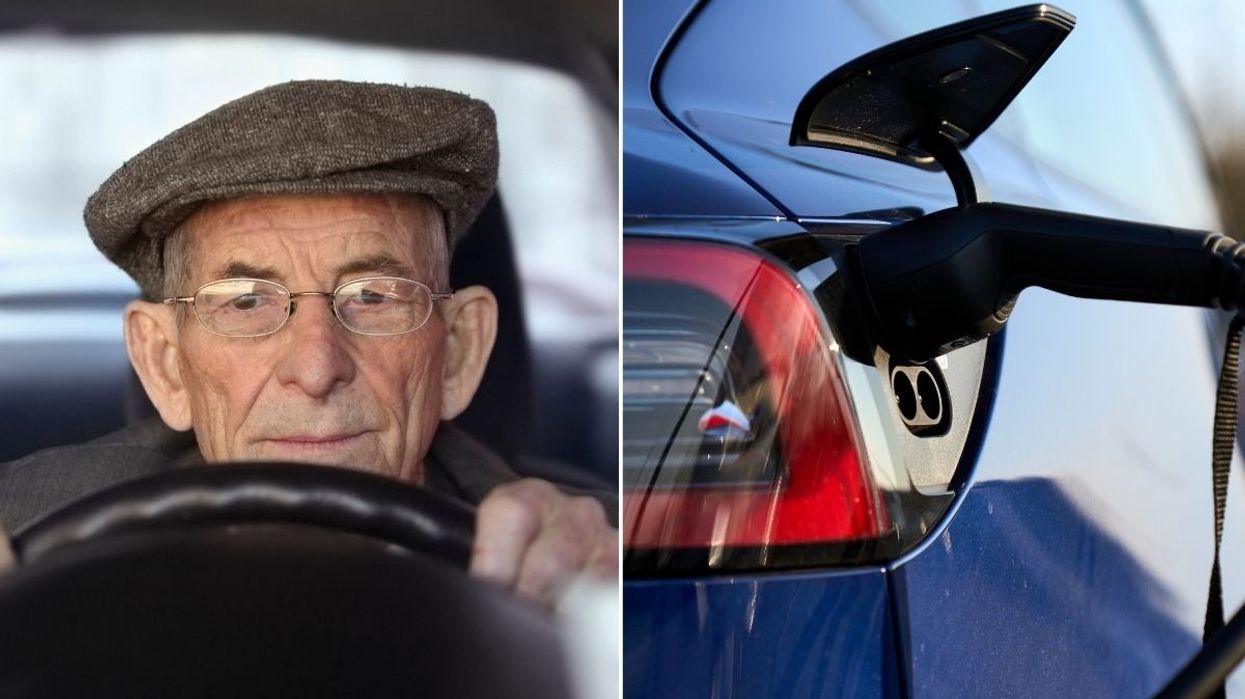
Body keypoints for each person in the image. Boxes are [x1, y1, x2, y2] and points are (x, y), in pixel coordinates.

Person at [0, 80, 617, 607]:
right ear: (165, 363)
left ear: (457, 349)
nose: (317, 368)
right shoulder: (21, 523)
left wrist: (595, 622)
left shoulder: (593, 556)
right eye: (246, 301)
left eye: (374, 296)